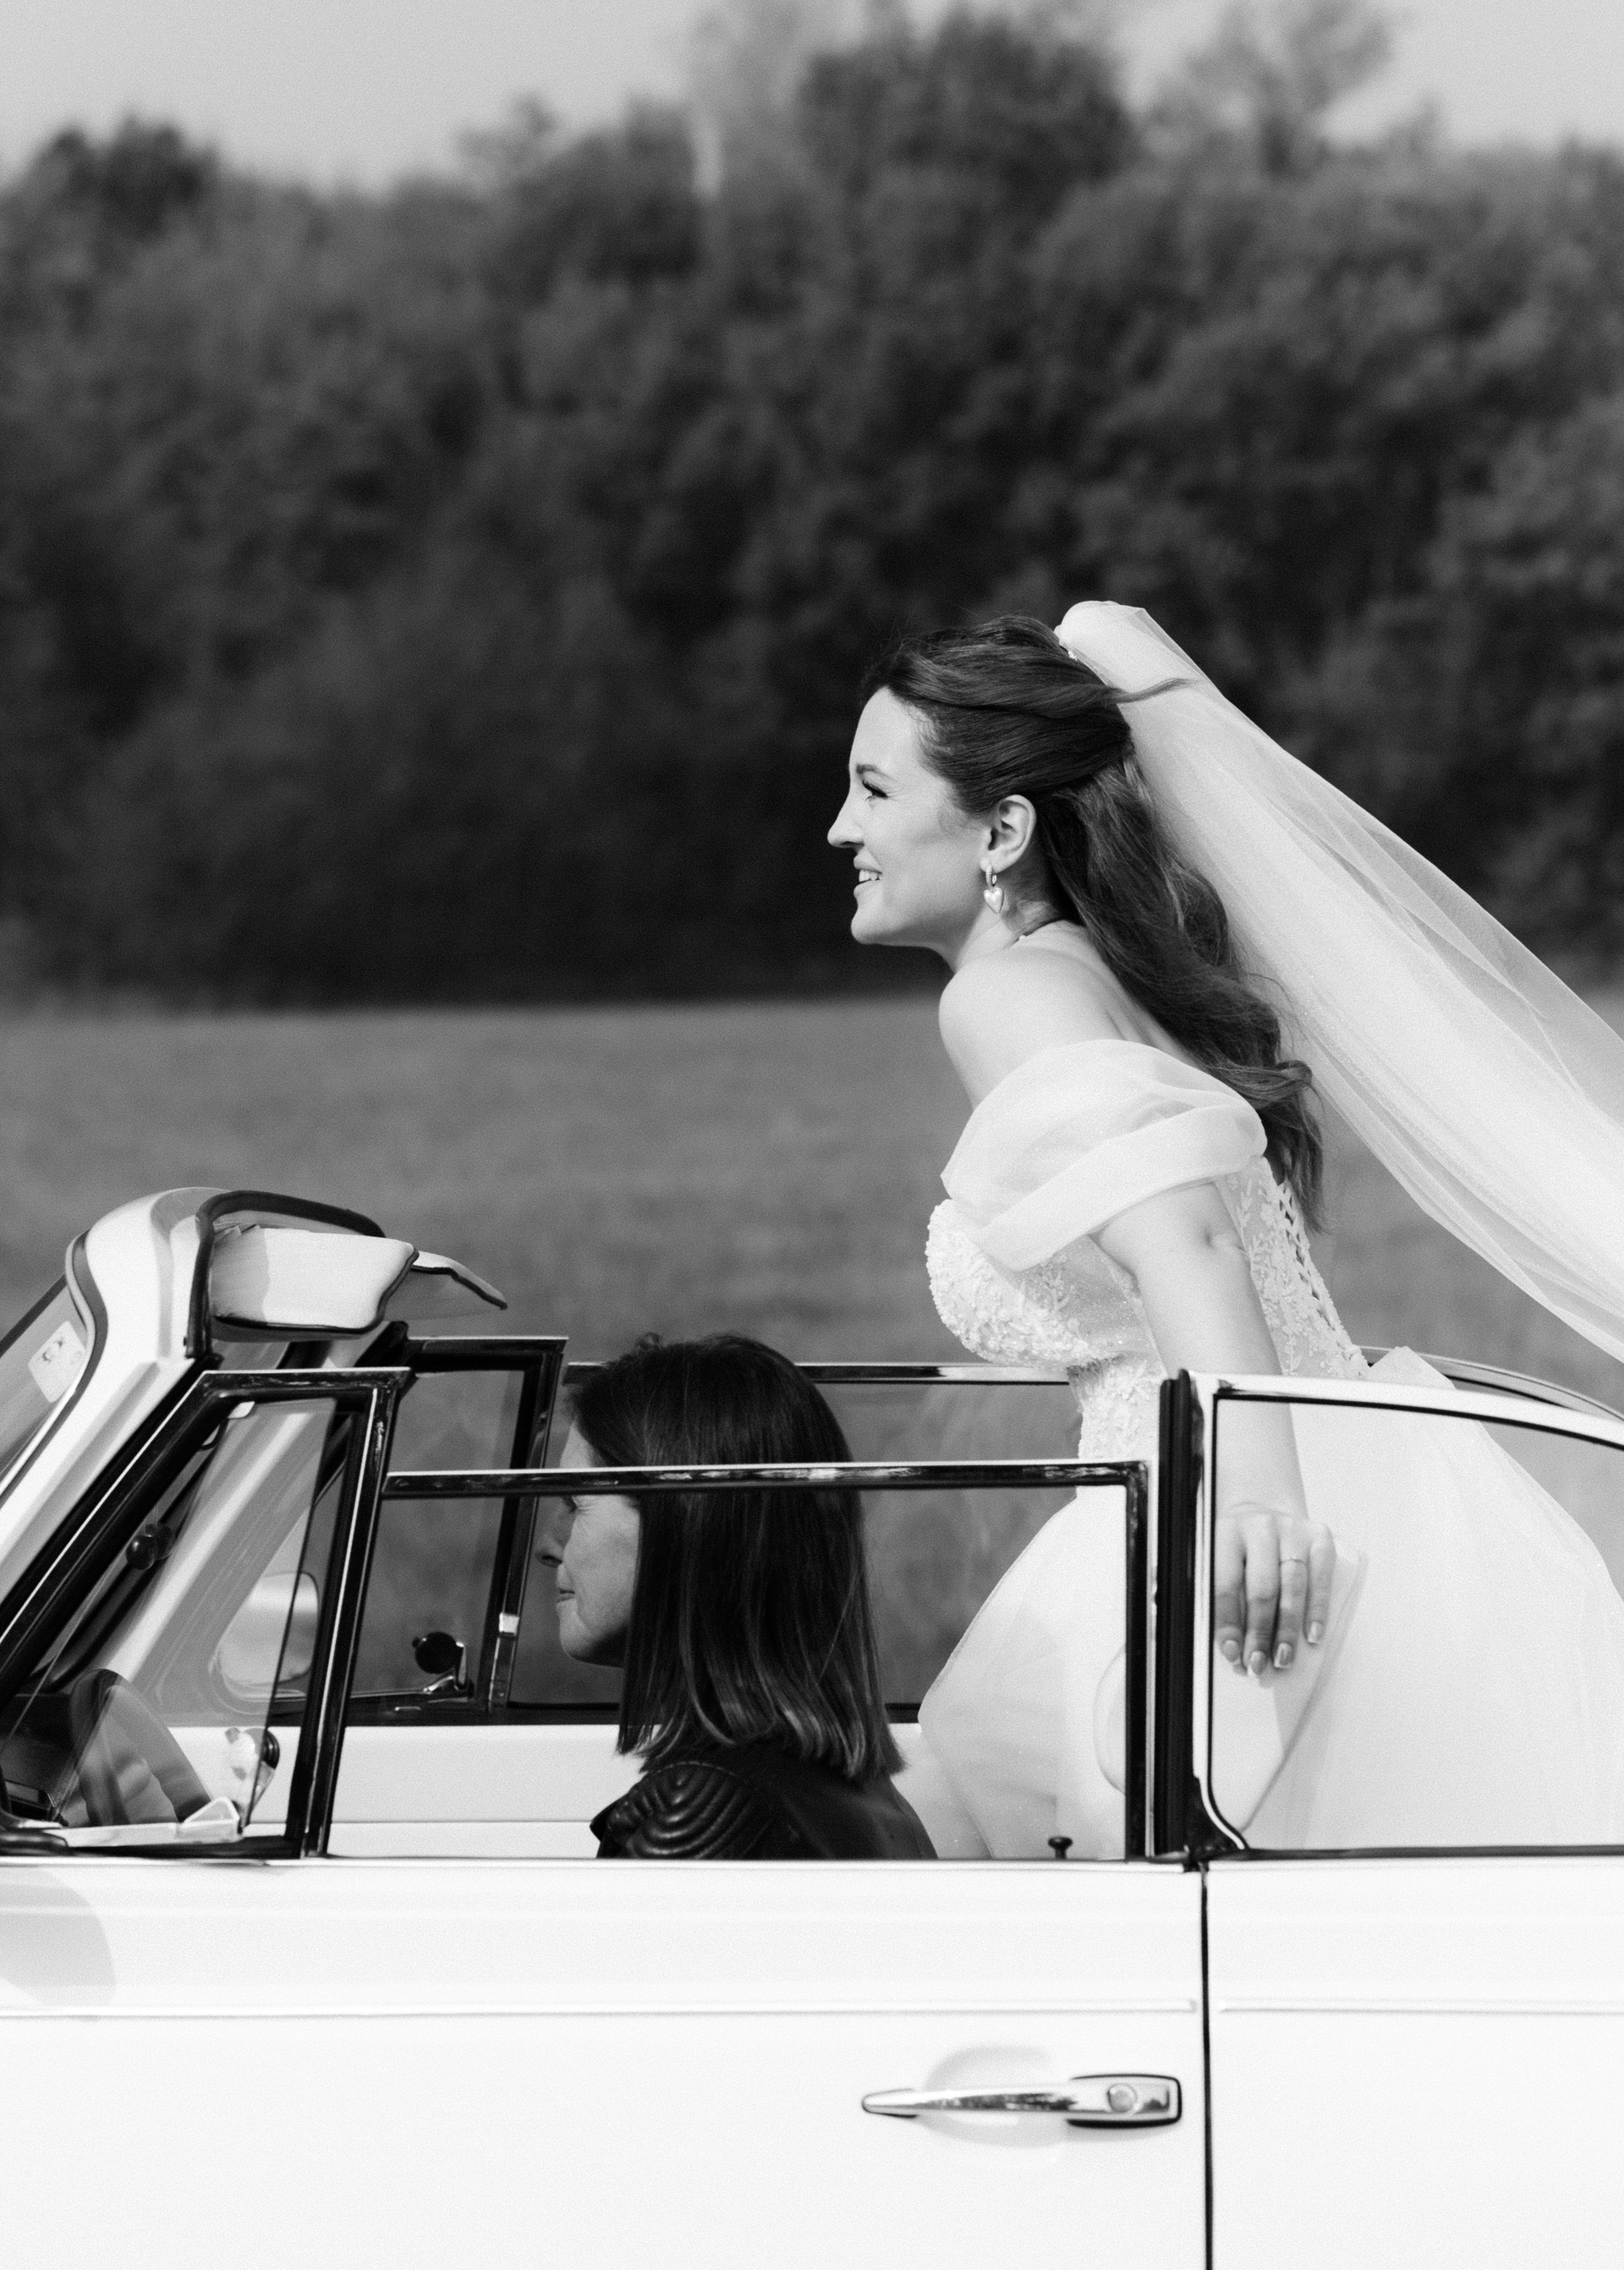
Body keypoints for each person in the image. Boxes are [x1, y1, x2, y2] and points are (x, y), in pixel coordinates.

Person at [828, 602, 1624, 1858]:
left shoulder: (1004, 997)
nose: (842, 828)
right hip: (1362, 1481)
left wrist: (1253, 1506)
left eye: (874, 791)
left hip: (1226, 1511)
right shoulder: (1118, 982)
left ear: (1002, 831)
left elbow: (1184, 1241)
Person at [537, 1333, 935, 1861]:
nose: (548, 1545)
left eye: (575, 1502)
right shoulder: (867, 1796)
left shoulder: (703, 1804)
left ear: (686, 1526)